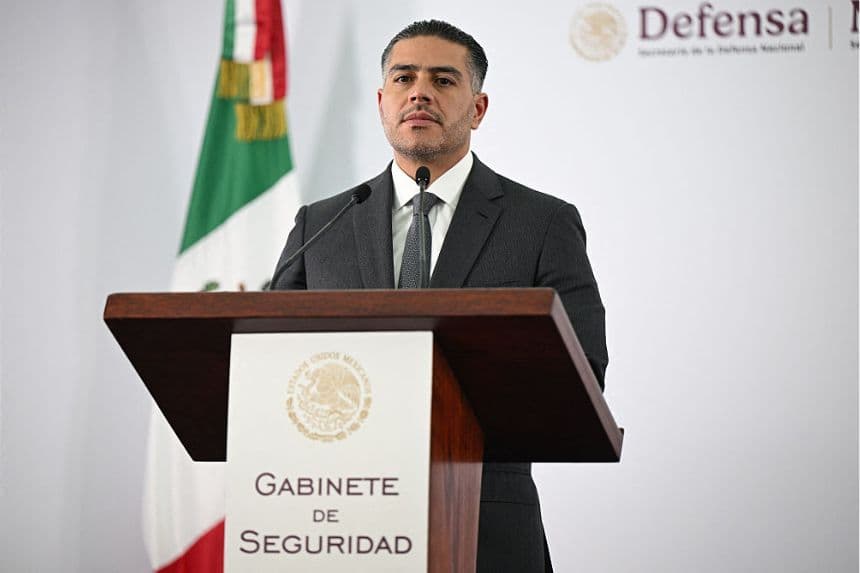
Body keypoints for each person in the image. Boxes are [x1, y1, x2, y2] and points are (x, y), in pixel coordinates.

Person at [271, 19, 607, 573]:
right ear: (383, 102)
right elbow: (278, 362)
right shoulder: (321, 224)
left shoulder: (542, 222)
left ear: (478, 109)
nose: (419, 91)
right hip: (335, 521)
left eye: (444, 80)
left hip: (485, 522)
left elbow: (584, 369)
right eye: (404, 78)